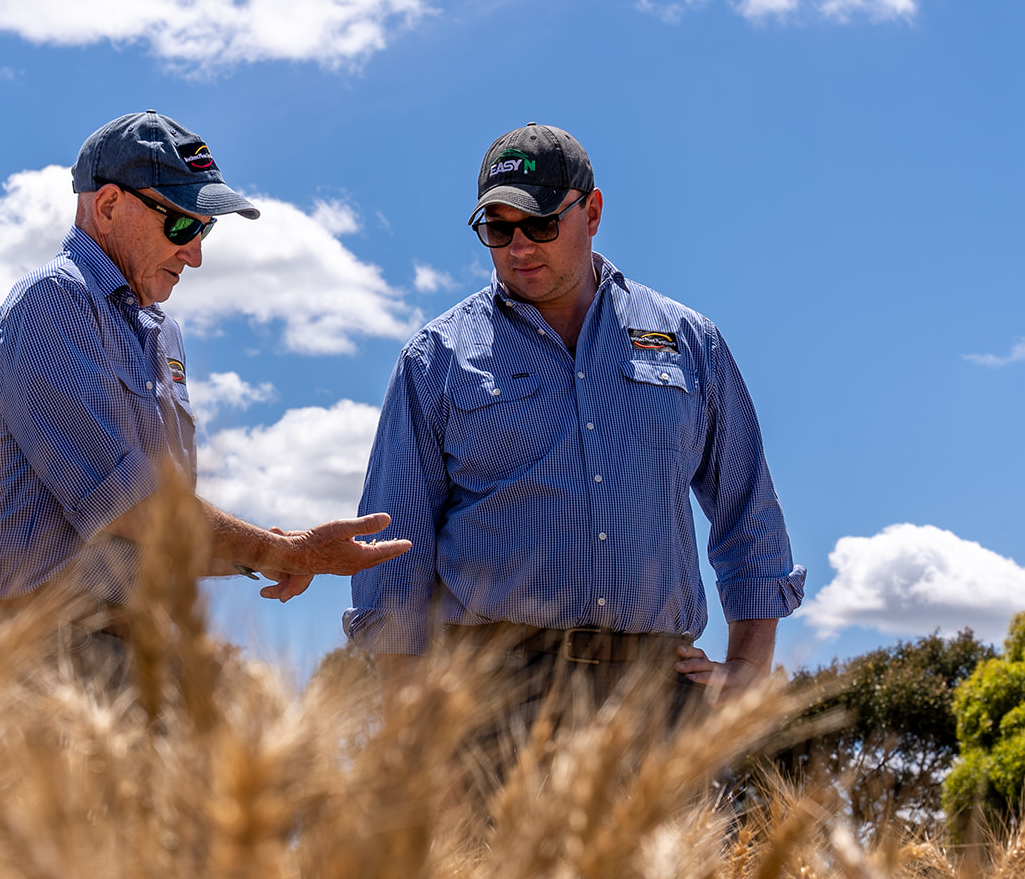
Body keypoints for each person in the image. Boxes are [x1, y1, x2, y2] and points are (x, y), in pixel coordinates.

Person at [345, 122, 805, 734]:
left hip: (657, 696)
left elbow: (748, 508)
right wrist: (408, 720)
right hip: (490, 700)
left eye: (539, 224)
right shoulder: (436, 358)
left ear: (591, 213)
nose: (518, 247)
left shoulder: (689, 342)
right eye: (497, 229)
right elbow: (392, 545)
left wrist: (749, 666)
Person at [0, 110, 409, 644]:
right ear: (107, 206)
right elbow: (128, 505)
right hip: (37, 643)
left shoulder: (162, 334)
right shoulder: (50, 304)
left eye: (205, 228)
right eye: (181, 225)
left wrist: (267, 553)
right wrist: (287, 552)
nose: (194, 255)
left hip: (136, 643)